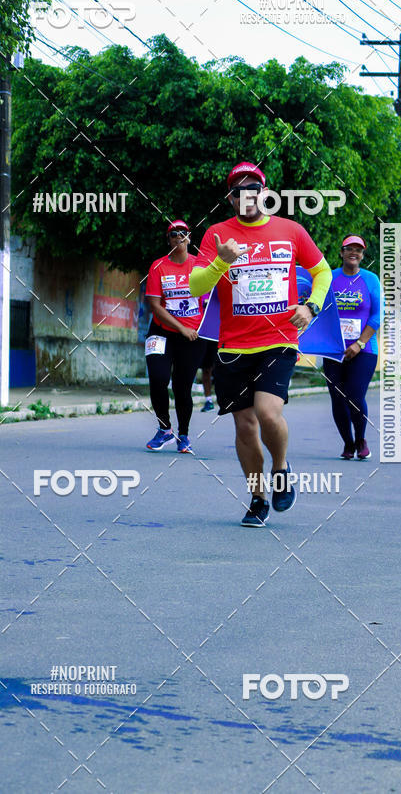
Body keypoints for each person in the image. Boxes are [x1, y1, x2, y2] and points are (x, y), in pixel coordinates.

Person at [189, 161, 331, 527]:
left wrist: (311, 304)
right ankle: (257, 497)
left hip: (278, 339)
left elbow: (322, 271)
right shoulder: (217, 236)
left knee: (268, 413)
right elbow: (196, 287)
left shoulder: (291, 231)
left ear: (265, 194)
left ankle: (281, 467)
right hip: (233, 347)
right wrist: (222, 261)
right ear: (231, 198)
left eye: (254, 188)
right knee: (245, 428)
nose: (247, 195)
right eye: (239, 190)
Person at [145, 220, 206, 452]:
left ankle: (184, 435)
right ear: (168, 239)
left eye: (183, 233)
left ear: (189, 237)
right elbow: (155, 305)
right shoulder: (158, 266)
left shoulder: (200, 266)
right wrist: (181, 328)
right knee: (158, 378)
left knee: (182, 387)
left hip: (193, 337)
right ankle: (164, 429)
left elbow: (212, 302)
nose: (178, 236)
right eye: (173, 234)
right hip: (162, 332)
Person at [322, 235, 382, 461]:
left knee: (355, 396)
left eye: (358, 250)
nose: (353, 253)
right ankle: (347, 443)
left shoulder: (370, 279)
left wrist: (360, 343)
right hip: (333, 349)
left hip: (364, 349)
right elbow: (319, 308)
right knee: (337, 398)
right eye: (349, 249)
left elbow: (377, 316)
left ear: (363, 255)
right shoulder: (329, 278)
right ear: (342, 252)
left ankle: (361, 439)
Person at [199, 291, 217, 412]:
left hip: (218, 333)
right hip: (202, 334)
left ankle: (225, 397)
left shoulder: (218, 291)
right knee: (206, 369)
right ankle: (208, 400)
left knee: (221, 368)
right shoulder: (200, 291)